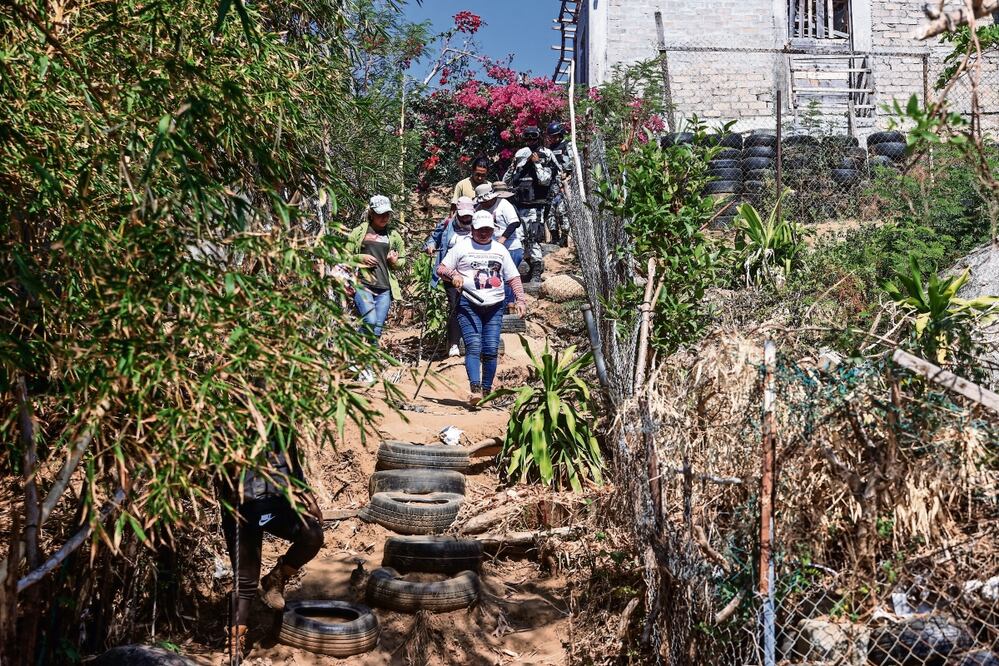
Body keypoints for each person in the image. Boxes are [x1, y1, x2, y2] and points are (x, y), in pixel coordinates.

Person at [220, 428, 324, 657]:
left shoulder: (280, 418)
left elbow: (291, 461)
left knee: (312, 535)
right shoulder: (229, 422)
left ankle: (276, 578)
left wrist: (306, 494)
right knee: (246, 579)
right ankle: (235, 640)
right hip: (241, 509)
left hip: (275, 503)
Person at [436, 210, 527, 406]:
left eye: (488, 229)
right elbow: (441, 268)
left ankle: (487, 390)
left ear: (492, 229)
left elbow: (513, 276)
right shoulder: (461, 247)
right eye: (480, 229)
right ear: (473, 228)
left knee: (491, 348)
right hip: (468, 303)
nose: (484, 233)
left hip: (494, 305)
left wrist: (520, 299)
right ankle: (475, 389)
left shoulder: (500, 250)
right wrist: (454, 276)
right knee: (473, 344)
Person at [345, 195, 406, 351]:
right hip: (363, 285)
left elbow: (402, 260)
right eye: (380, 213)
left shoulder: (393, 235)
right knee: (370, 321)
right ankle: (353, 351)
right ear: (371, 213)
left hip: (384, 288)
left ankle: (368, 364)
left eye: (387, 214)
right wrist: (360, 257)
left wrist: (394, 261)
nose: (384, 217)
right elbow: (345, 255)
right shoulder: (359, 232)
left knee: (377, 329)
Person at [503, 126, 559, 282]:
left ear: (538, 137)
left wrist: (536, 163)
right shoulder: (520, 154)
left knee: (533, 238)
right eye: (527, 138)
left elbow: (545, 179)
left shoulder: (546, 154)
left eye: (533, 137)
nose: (530, 141)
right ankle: (526, 267)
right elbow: (507, 180)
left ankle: (536, 272)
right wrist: (518, 164)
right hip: (520, 204)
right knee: (520, 239)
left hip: (537, 205)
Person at [424, 197, 475, 357]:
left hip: (474, 276)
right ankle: (453, 343)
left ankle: (472, 341)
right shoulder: (447, 225)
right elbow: (432, 238)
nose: (466, 219)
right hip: (450, 275)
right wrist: (431, 245)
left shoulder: (478, 224)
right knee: (455, 306)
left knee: (473, 307)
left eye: (469, 215)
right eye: (463, 215)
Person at [474, 181, 524, 313]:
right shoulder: (479, 208)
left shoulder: (503, 204)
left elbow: (514, 223)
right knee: (496, 278)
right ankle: (504, 306)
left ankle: (508, 307)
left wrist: (503, 239)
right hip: (492, 249)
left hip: (511, 246)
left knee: (509, 278)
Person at [545, 121, 573, 247]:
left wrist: (566, 174)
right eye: (551, 136)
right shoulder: (548, 149)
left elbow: (573, 163)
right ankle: (554, 238)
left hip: (563, 184)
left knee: (562, 211)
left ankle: (564, 238)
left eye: (555, 135)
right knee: (550, 212)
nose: (553, 138)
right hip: (550, 185)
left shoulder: (567, 146)